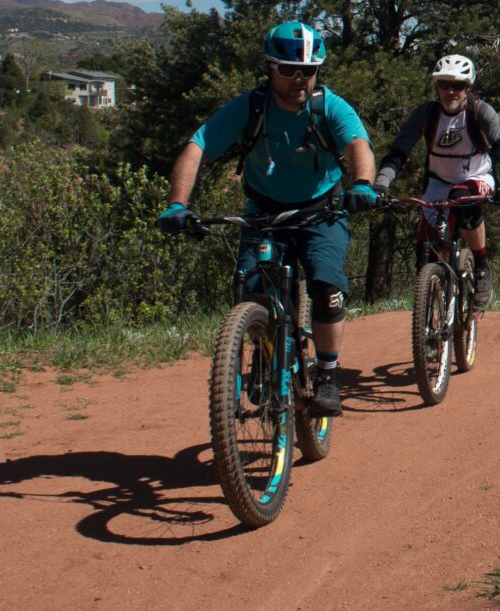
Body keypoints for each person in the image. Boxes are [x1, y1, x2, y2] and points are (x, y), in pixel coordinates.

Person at [156, 21, 379, 417]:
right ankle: (263, 347)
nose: (300, 78)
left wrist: (362, 183)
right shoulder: (251, 106)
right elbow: (198, 147)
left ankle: (327, 374)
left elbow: (358, 145)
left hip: (320, 211)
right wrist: (177, 204)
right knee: (253, 288)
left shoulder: (328, 106)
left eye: (309, 70)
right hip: (264, 214)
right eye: (289, 69)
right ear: (269, 68)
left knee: (327, 287)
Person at [373, 53, 500, 308]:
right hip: (439, 180)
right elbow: (399, 152)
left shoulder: (480, 111)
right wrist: (381, 185)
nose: (450, 91)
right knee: (426, 250)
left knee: (463, 199)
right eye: (444, 84)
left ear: (468, 88)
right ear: (436, 87)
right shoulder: (426, 114)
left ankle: (482, 267)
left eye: (458, 86)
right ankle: (433, 308)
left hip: (476, 175)